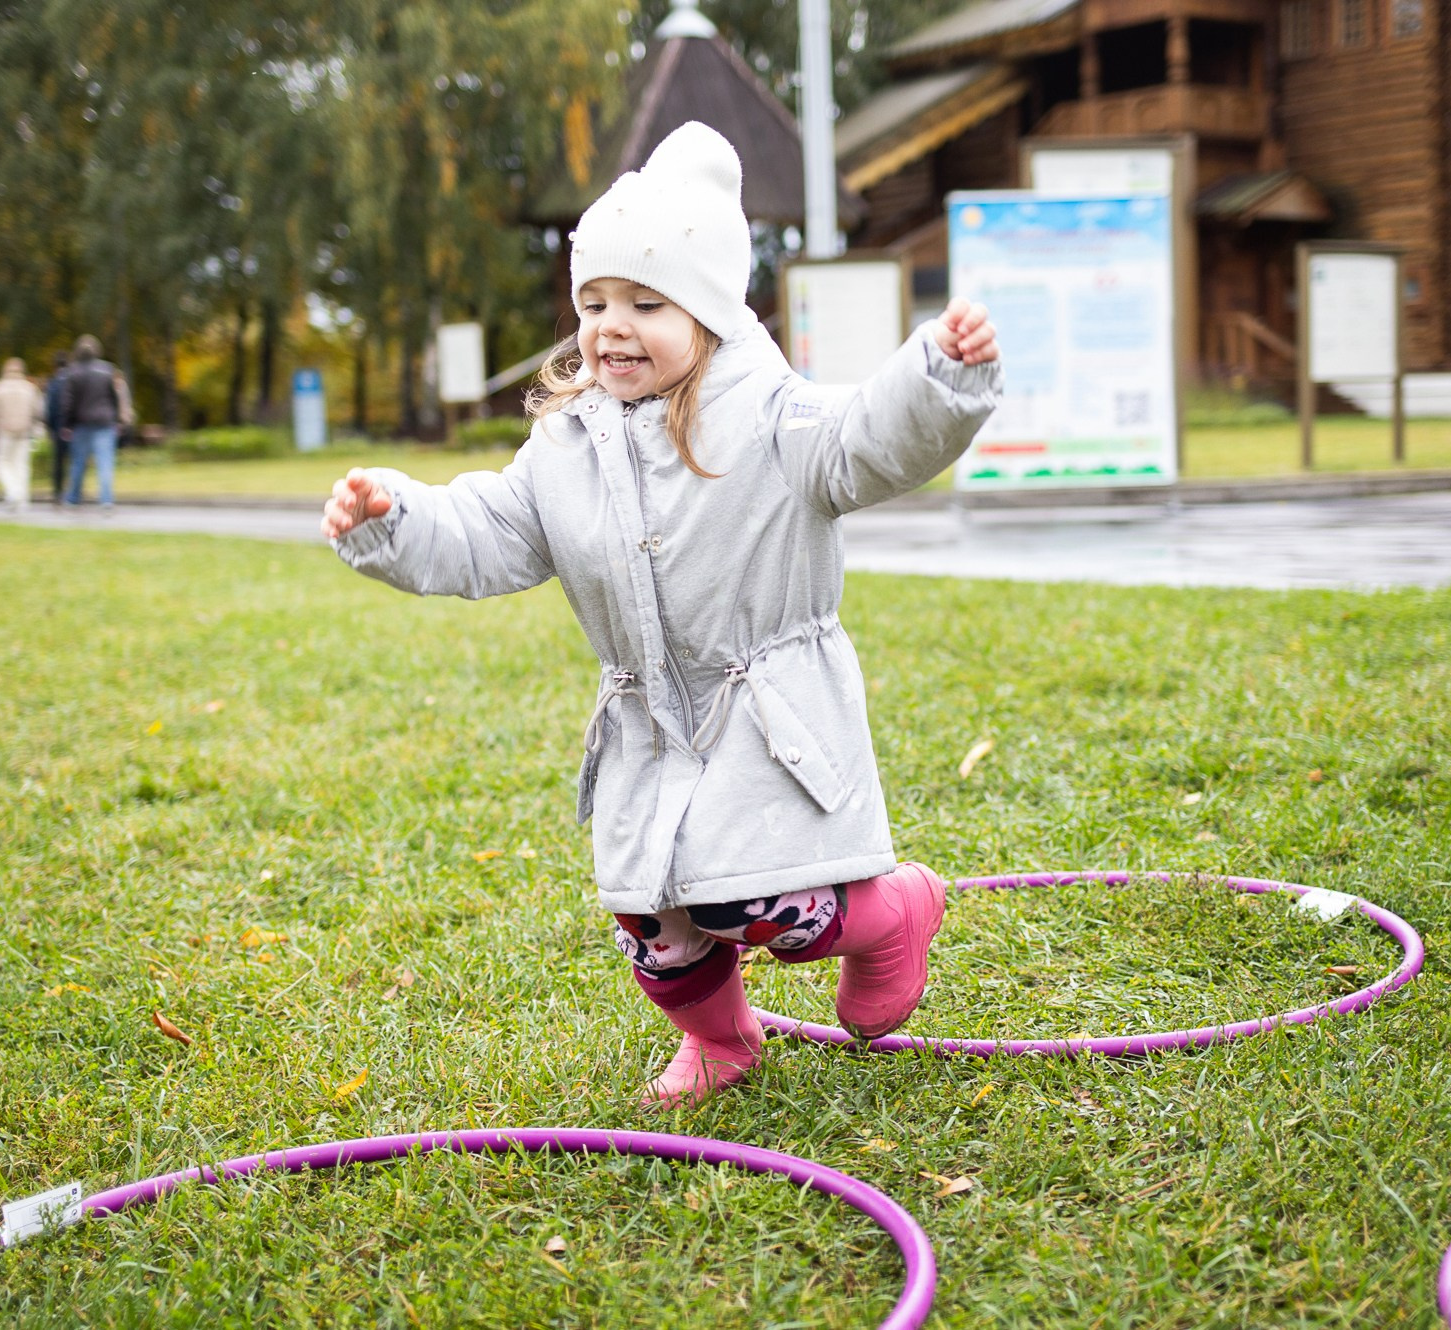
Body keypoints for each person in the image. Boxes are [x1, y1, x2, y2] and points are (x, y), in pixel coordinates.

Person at [320, 123, 1002, 1109]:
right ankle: (720, 1041)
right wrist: (396, 516)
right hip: (648, 723)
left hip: (767, 713)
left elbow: (869, 440)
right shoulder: (566, 446)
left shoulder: (777, 419)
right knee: (654, 925)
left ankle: (894, 914)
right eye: (594, 302)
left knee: (764, 903)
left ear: (713, 311)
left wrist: (935, 375)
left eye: (646, 302)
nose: (610, 327)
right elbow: (492, 529)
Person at [61, 334, 131, 511]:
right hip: (105, 422)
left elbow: (67, 402)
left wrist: (67, 424)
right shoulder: (108, 370)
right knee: (105, 462)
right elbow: (114, 397)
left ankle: (73, 499)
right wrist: (117, 419)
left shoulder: (72, 372)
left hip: (82, 423)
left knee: (78, 463)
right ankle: (106, 500)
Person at [0, 357, 43, 512]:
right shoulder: (29, 388)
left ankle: (13, 492)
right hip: (24, 431)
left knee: (1, 463)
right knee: (22, 465)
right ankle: (23, 500)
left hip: (5, 431)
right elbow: (38, 410)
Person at [43, 351, 72, 504]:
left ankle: (58, 492)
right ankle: (74, 490)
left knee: (58, 462)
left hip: (58, 427)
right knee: (74, 459)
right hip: (73, 427)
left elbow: (50, 408)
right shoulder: (73, 380)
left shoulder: (53, 383)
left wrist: (51, 427)